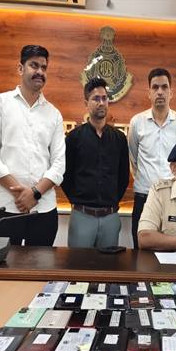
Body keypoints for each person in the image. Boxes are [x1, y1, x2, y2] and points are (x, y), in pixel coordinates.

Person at [0, 45, 65, 246]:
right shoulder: (0, 103)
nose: (40, 72)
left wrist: (34, 193)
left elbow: (59, 164)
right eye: (34, 65)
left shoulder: (53, 114)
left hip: (43, 209)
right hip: (5, 208)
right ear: (20, 68)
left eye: (44, 67)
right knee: (4, 265)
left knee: (42, 265)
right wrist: (20, 194)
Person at [61, 77, 129, 248]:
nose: (101, 103)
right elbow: (65, 175)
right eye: (96, 99)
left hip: (110, 217)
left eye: (104, 98)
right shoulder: (74, 138)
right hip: (82, 216)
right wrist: (78, 200)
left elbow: (123, 178)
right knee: (78, 264)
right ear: (86, 103)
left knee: (109, 264)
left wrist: (111, 202)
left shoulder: (119, 139)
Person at [128, 68, 176, 249]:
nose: (160, 92)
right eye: (155, 87)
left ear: (171, 92)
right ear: (148, 92)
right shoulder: (137, 122)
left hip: (174, 199)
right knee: (141, 251)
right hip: (144, 197)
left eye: (164, 87)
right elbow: (133, 159)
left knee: (175, 250)